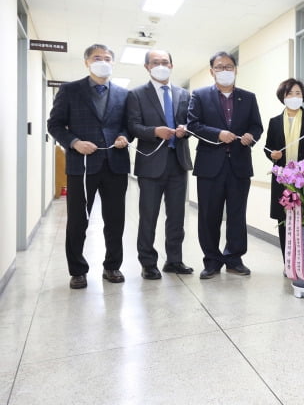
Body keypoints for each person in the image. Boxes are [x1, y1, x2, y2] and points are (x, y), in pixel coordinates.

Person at [47, 43, 131, 289]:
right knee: (77, 221)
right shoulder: (70, 90)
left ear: (113, 63)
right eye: (97, 57)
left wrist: (124, 137)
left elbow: (128, 125)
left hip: (115, 164)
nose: (102, 61)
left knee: (115, 220)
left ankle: (112, 266)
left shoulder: (124, 94)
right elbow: (54, 125)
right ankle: (77, 270)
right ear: (86, 62)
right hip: (82, 166)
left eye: (107, 58)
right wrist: (74, 142)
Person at [187, 51, 263, 279]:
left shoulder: (248, 97)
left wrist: (251, 135)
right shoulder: (200, 96)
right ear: (212, 72)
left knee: (237, 215)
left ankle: (234, 258)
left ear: (236, 69)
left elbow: (256, 126)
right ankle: (211, 261)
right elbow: (193, 125)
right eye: (219, 67)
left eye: (229, 67)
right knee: (209, 215)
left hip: (239, 164)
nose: (224, 71)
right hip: (210, 166)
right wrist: (218, 134)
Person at [127, 50, 194, 280]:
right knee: (149, 216)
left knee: (176, 217)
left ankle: (174, 260)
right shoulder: (136, 94)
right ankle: (148, 262)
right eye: (155, 63)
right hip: (151, 166)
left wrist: (185, 130)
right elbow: (133, 126)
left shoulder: (183, 94)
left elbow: (190, 123)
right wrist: (154, 131)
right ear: (147, 67)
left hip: (178, 163)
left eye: (165, 62)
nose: (161, 66)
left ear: (172, 65)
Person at [264, 78, 304, 262]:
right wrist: (272, 155)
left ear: (303, 96)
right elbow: (267, 148)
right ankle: (288, 263)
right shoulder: (274, 122)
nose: (294, 96)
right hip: (282, 180)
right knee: (284, 222)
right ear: (283, 97)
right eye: (290, 93)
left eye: (298, 93)